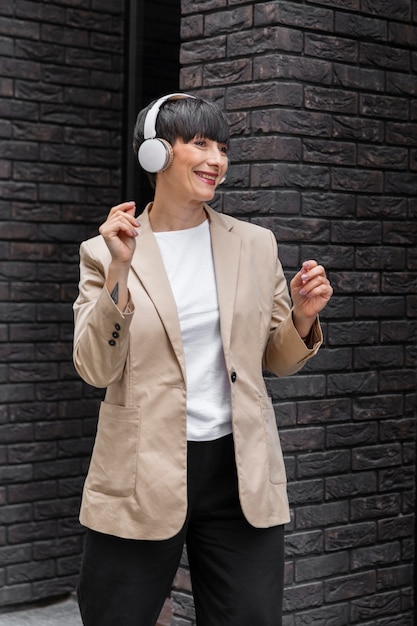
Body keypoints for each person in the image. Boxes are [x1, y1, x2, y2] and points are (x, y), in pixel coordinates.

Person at [73, 93, 333, 626]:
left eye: (223, 147)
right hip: (141, 470)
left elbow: (276, 360)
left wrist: (303, 318)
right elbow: (95, 368)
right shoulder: (105, 251)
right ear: (157, 155)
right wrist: (121, 272)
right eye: (200, 144)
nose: (217, 159)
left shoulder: (255, 245)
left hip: (238, 472)